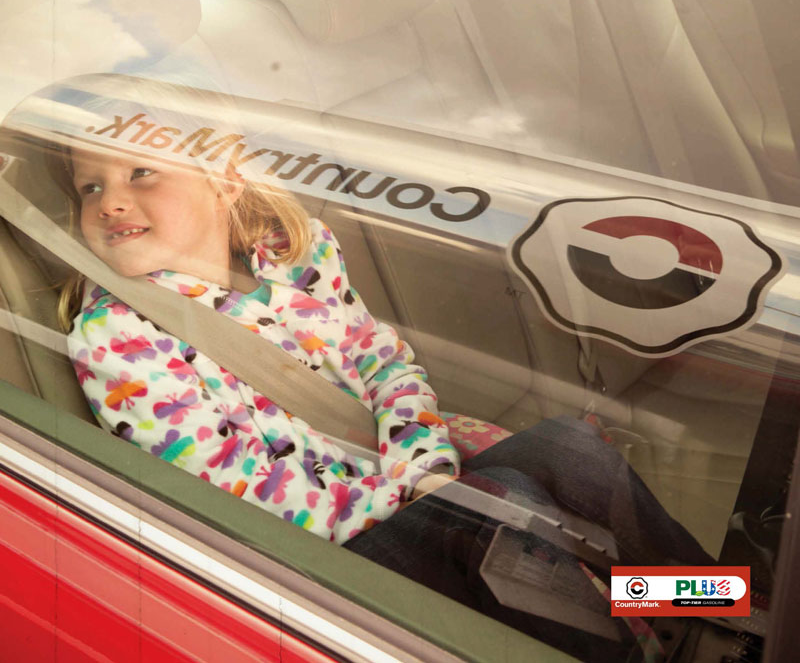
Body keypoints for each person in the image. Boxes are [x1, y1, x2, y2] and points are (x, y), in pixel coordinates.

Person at [53, 106, 711, 662]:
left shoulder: (294, 255)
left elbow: (384, 365)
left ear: (225, 180)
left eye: (141, 171)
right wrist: (412, 494)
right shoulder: (116, 334)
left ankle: (711, 608)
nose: (110, 201)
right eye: (89, 187)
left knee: (567, 447)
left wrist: (424, 467)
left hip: (394, 485)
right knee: (496, 511)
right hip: (315, 557)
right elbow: (242, 495)